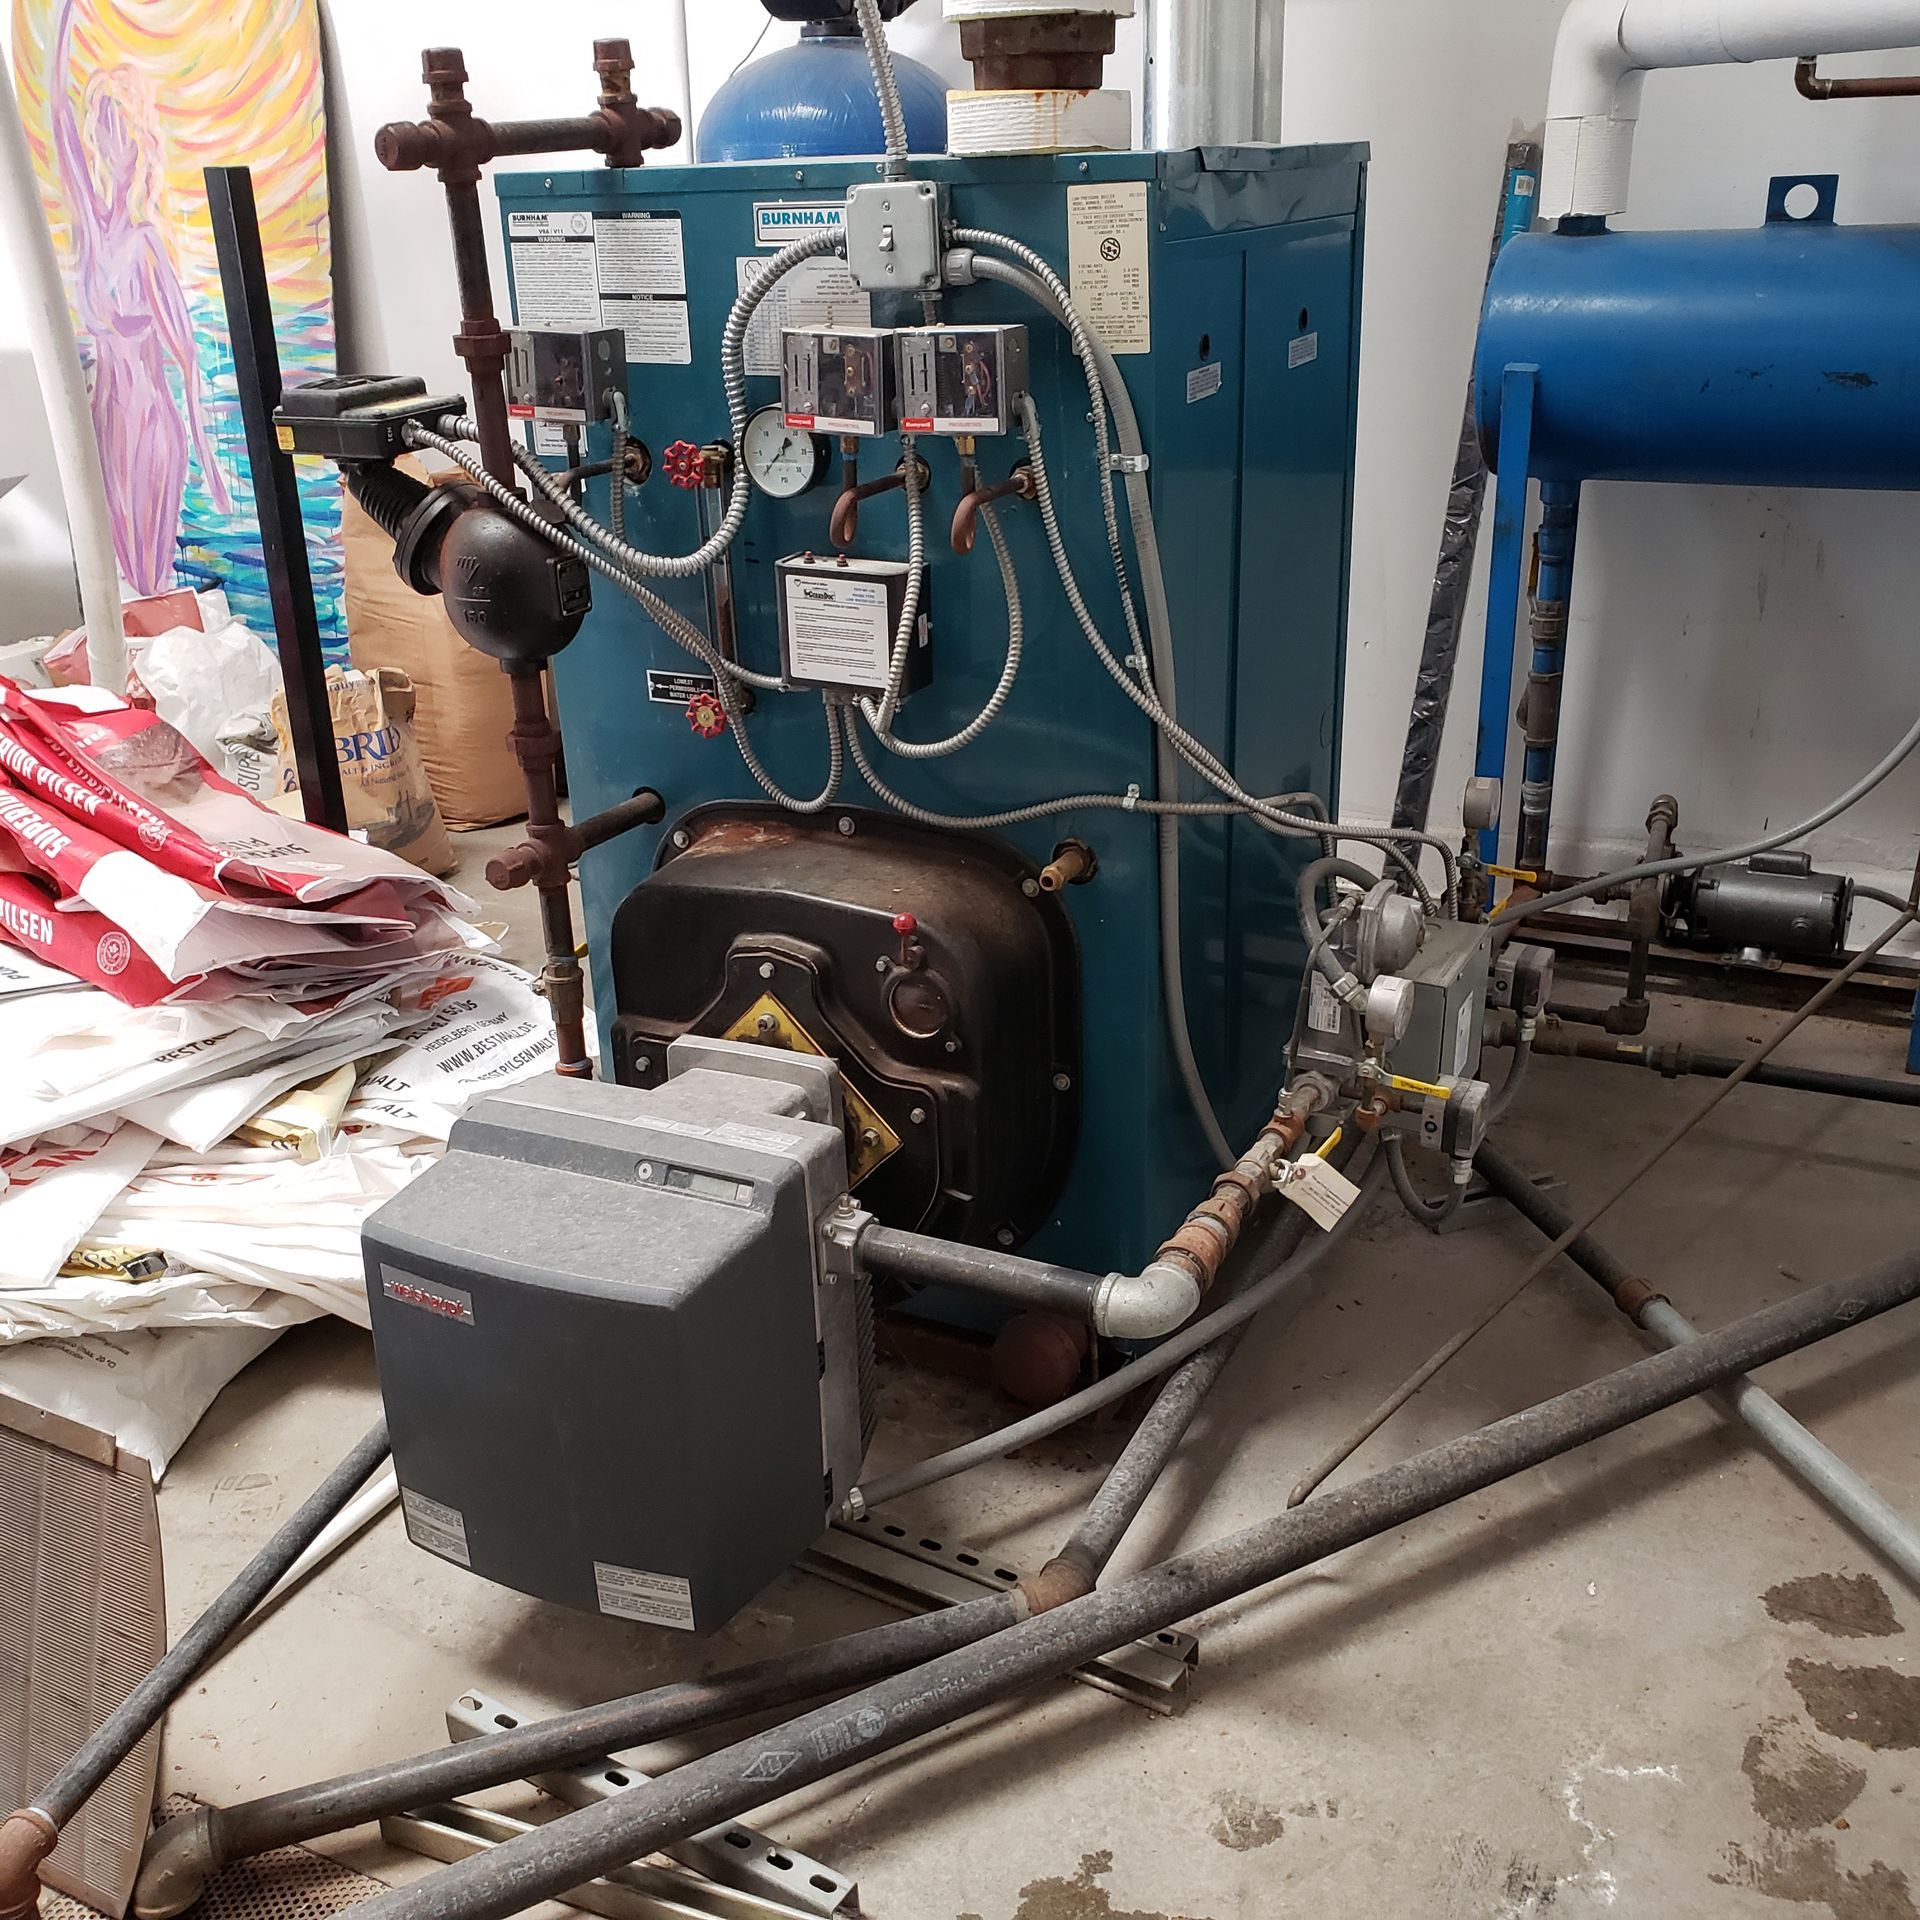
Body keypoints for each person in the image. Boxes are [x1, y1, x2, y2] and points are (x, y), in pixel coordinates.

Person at [48, 0, 231, 598]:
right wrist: (62, 25)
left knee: (151, 581)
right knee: (124, 581)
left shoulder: (146, 245)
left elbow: (187, 360)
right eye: (100, 129)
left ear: (137, 142)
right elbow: (58, 125)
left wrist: (210, 457)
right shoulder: (92, 235)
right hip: (108, 422)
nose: (105, 144)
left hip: (151, 424)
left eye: (118, 129)